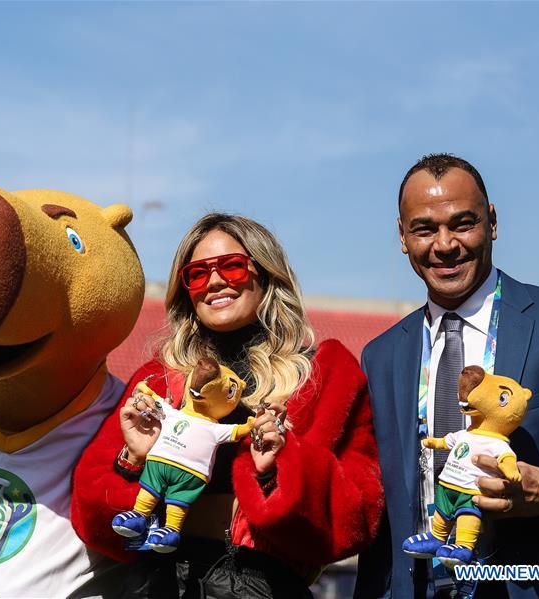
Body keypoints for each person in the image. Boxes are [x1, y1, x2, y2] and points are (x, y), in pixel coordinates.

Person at [71, 213, 383, 598]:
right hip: (158, 583)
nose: (215, 282)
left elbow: (358, 518)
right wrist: (133, 460)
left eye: (232, 267)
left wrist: (278, 469)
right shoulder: (156, 380)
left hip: (262, 585)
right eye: (197, 274)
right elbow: (90, 518)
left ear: (266, 275)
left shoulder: (325, 375)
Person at [355, 154, 539, 598]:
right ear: (402, 235)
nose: (444, 244)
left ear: (491, 222)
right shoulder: (380, 356)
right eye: (424, 229)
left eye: (462, 223)